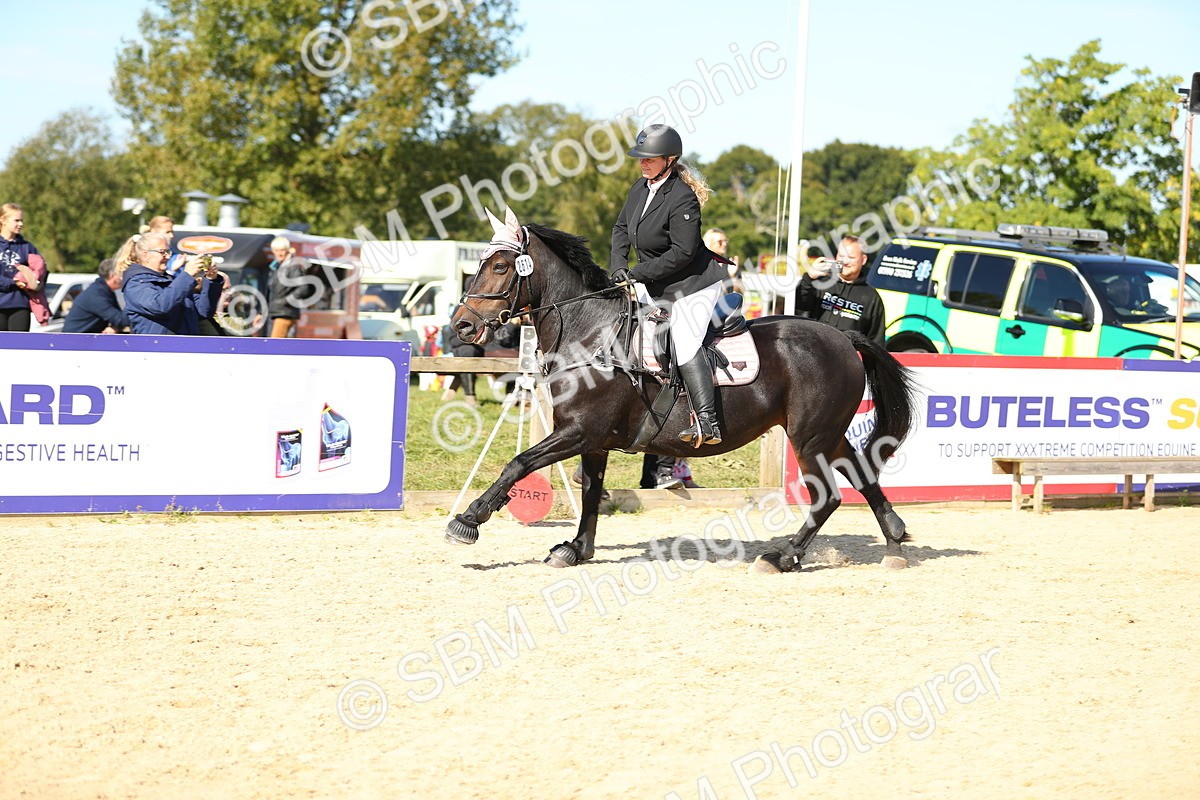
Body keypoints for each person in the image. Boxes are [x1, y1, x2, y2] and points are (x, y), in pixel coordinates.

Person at [610, 123, 728, 490]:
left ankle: (708, 422)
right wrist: (617, 266)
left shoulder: (681, 197)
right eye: (640, 158)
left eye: (650, 158)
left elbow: (683, 252)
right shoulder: (638, 190)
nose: (643, 164)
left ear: (669, 159)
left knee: (685, 340)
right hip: (653, 284)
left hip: (692, 285)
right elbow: (619, 230)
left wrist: (637, 272)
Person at [120, 232, 224, 335]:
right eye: (162, 252)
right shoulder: (135, 283)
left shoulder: (172, 281)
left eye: (168, 252)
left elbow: (203, 311)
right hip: (157, 348)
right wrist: (187, 274)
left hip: (183, 347)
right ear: (145, 255)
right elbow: (160, 307)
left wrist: (211, 280)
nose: (168, 257)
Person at [794, 234, 885, 345]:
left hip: (848, 359)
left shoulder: (872, 297)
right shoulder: (820, 282)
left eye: (851, 257)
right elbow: (799, 305)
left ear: (863, 260)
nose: (845, 261)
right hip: (812, 352)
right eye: (841, 256)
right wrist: (809, 278)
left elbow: (876, 341)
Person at [0, 203, 44, 331]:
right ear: (3, 220)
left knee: (18, 345)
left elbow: (41, 270)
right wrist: (13, 282)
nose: (21, 224)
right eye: (16, 220)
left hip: (20, 305)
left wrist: (36, 283)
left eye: (22, 220)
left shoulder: (26, 246)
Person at [63, 259, 131, 333]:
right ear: (113, 276)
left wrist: (115, 327)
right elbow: (121, 320)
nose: (124, 278)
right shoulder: (97, 295)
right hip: (75, 341)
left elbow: (118, 319)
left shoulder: (103, 291)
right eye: (122, 274)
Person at [267, 236, 314, 338]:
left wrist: (286, 301)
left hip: (285, 313)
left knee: (275, 346)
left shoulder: (293, 266)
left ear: (287, 250)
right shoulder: (277, 267)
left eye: (282, 250)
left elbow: (303, 288)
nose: (279, 253)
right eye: (276, 250)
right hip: (278, 312)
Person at [704, 227, 744, 294]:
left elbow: (739, 293)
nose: (724, 244)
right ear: (709, 243)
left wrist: (732, 276)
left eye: (726, 241)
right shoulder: (701, 263)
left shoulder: (731, 264)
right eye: (720, 242)